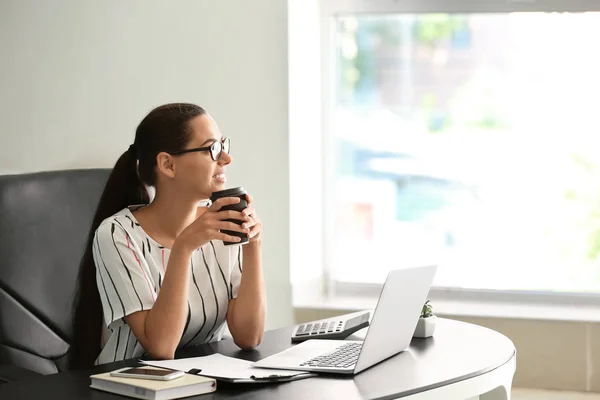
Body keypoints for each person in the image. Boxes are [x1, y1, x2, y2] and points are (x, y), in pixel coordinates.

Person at [69, 103, 265, 369]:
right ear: (168, 164)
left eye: (224, 145)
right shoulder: (117, 234)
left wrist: (253, 245)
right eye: (212, 149)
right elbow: (161, 347)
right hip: (128, 384)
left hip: (202, 382)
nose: (226, 159)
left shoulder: (220, 222)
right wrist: (183, 248)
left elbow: (249, 337)